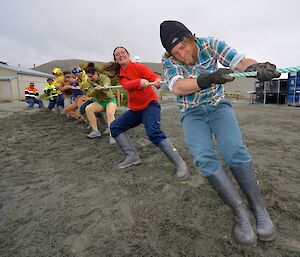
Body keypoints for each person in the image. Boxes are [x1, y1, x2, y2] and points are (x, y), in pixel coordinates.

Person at [160, 20, 280, 245]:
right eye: (176, 52)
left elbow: (240, 61)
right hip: (191, 112)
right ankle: (240, 212)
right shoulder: (168, 61)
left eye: (184, 47)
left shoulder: (211, 44)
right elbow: (176, 86)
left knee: (234, 150)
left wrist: (256, 69)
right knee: (204, 159)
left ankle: (258, 208)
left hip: (217, 106)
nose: (183, 54)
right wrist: (207, 79)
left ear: (192, 38)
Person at [109, 46, 189, 179]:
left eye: (123, 52)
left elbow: (153, 76)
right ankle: (132, 156)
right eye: (117, 54)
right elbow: (127, 85)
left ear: (128, 54)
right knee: (115, 126)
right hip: (135, 110)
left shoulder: (138, 67)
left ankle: (179, 162)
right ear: (116, 60)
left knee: (153, 132)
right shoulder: (121, 75)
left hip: (150, 105)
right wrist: (139, 82)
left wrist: (156, 81)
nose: (120, 55)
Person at [84, 63, 117, 144]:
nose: (89, 78)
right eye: (88, 76)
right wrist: (95, 90)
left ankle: (113, 134)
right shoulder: (89, 81)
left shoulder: (104, 77)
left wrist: (105, 86)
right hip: (100, 102)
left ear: (96, 73)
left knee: (109, 113)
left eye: (91, 76)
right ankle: (95, 131)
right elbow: (90, 93)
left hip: (110, 101)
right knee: (88, 109)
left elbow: (107, 82)